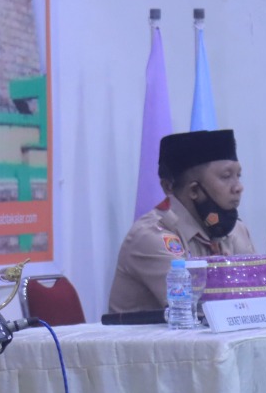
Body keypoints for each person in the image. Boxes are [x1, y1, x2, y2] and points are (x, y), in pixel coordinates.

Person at [108, 129, 257, 312]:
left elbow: (260, 288)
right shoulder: (151, 236)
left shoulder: (236, 230)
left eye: (238, 176)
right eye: (226, 177)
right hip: (168, 331)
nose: (238, 187)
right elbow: (193, 305)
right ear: (193, 190)